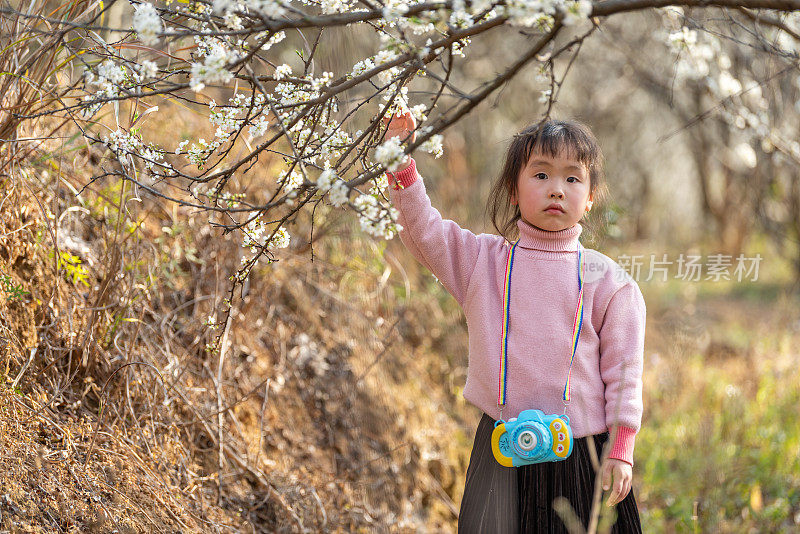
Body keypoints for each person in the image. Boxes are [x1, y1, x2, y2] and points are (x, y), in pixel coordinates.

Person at [381, 111, 645, 533]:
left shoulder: (610, 282)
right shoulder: (483, 262)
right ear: (514, 191)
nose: (557, 189)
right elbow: (422, 231)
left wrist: (621, 449)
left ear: (590, 196)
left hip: (582, 458)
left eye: (573, 179)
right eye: (540, 175)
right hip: (501, 453)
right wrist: (399, 161)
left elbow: (625, 374)